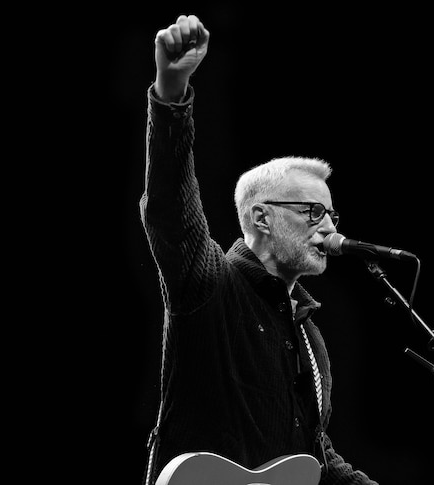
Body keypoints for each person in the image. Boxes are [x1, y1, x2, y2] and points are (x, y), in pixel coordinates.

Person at [140, 14, 379, 485]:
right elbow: (171, 211)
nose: (328, 227)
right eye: (313, 212)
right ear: (261, 217)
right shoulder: (210, 284)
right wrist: (171, 93)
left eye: (331, 216)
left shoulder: (311, 341)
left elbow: (311, 454)